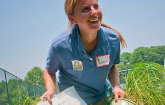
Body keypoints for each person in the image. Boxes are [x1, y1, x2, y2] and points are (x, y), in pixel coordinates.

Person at [40, 0, 127, 104]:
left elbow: (112, 66)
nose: (94, 12)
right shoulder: (60, 45)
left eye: (96, 6)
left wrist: (116, 87)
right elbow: (49, 71)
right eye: (85, 9)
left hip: (102, 95)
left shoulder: (112, 39)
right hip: (72, 99)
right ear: (72, 19)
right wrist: (50, 91)